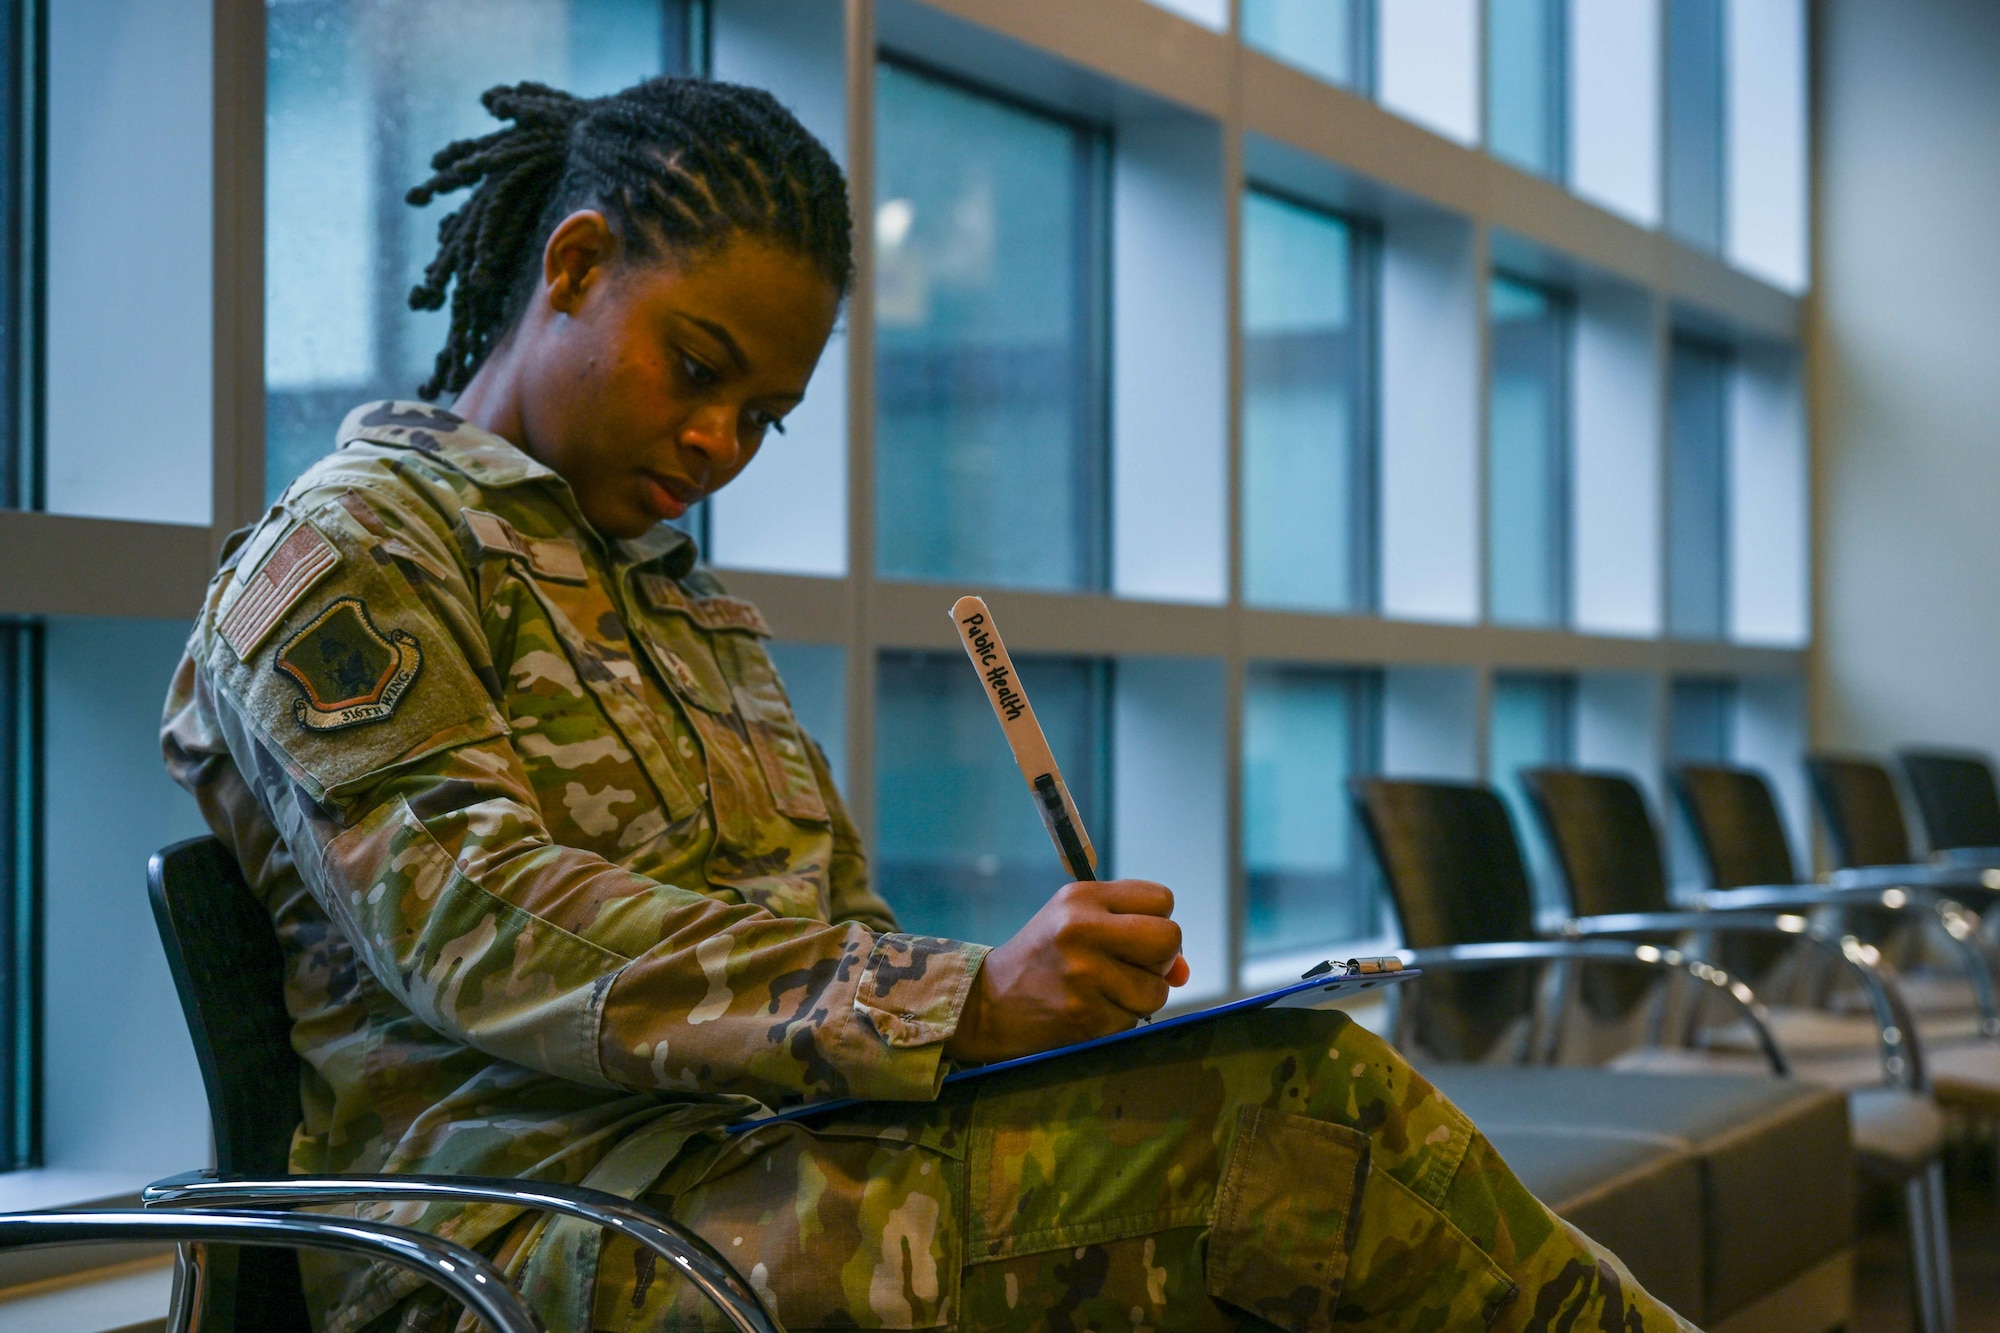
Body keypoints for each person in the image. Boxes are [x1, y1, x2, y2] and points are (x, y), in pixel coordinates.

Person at [163, 75, 1696, 1333]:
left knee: (1286, 1104)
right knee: (1301, 1132)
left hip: (743, 1178)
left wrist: (1031, 1017)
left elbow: (823, 919)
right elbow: (480, 921)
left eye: (762, 413)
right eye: (695, 367)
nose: (717, 441)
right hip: (537, 1237)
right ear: (570, 267)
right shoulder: (348, 553)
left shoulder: (668, 598)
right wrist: (954, 996)